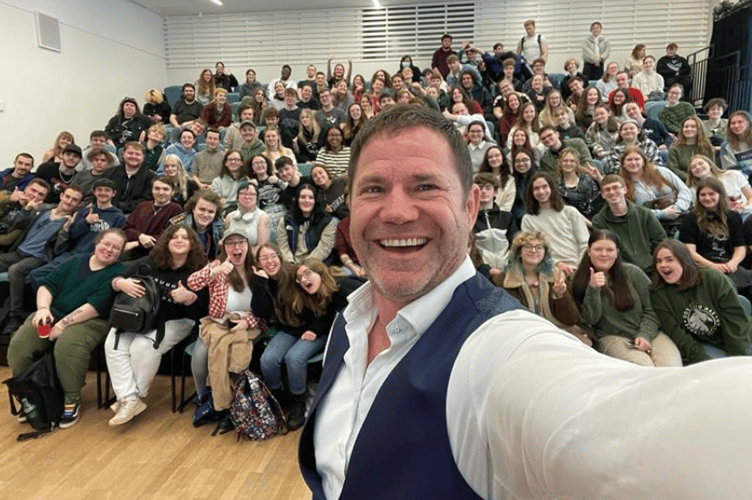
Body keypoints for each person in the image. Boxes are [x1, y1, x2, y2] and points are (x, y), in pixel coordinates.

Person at [297, 104, 752, 500]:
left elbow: (624, 429)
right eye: (373, 189)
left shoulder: (501, 350)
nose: (396, 212)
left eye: (425, 187)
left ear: (471, 206)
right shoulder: (348, 323)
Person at [7, 228, 127, 428]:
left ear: (121, 253)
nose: (109, 249)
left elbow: (94, 307)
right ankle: (32, 395)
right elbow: (47, 285)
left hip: (92, 319)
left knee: (68, 344)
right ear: (97, 243)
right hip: (54, 312)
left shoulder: (118, 272)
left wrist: (62, 324)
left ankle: (71, 399)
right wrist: (43, 309)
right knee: (19, 348)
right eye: (106, 244)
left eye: (115, 248)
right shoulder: (76, 261)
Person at [105, 225, 208, 426]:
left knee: (142, 346)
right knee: (113, 341)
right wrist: (119, 282)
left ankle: (133, 396)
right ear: (166, 241)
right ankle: (129, 398)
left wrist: (190, 298)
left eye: (185, 238)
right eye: (174, 237)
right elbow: (115, 274)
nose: (179, 240)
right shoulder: (152, 260)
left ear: (192, 244)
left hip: (178, 320)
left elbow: (203, 312)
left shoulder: (199, 269)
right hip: (145, 316)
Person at [260, 258, 361, 430]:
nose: (304, 280)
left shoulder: (342, 286)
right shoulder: (305, 293)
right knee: (268, 359)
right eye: (300, 278)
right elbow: (322, 316)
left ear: (319, 271)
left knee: (294, 359)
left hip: (353, 336)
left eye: (308, 273)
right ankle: (278, 399)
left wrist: (315, 330)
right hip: (297, 330)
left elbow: (369, 301)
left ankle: (298, 403)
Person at [187, 227, 265, 431]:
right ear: (224, 247)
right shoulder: (217, 266)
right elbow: (192, 283)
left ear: (248, 246)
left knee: (233, 354)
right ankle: (206, 398)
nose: (236, 247)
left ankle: (230, 406)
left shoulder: (257, 270)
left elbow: (268, 308)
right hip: (217, 322)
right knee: (199, 356)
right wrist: (214, 272)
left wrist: (247, 322)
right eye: (231, 243)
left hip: (248, 323)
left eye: (241, 242)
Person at [572, 230, 682, 366]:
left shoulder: (633, 273)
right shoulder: (578, 280)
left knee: (671, 369)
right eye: (598, 249)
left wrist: (645, 334)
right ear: (589, 251)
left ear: (617, 253)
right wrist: (593, 289)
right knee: (645, 368)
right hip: (613, 337)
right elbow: (590, 319)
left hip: (649, 332)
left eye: (610, 250)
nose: (604, 254)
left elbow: (653, 307)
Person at [651, 239, 752, 365]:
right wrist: (704, 364)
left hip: (741, 339)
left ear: (685, 260)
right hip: (708, 346)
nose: (663, 265)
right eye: (659, 261)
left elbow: (735, 322)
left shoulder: (713, 279)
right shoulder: (658, 294)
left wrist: (738, 360)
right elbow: (679, 336)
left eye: (669, 259)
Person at [0, 185, 84, 334]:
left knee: (15, 271)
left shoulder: (73, 222)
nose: (69, 201)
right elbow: (17, 224)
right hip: (19, 251)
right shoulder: (43, 209)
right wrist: (26, 210)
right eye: (68, 197)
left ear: (78, 203)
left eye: (75, 200)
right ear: (61, 196)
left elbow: (59, 250)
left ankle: (15, 315)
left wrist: (65, 230)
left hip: (38, 257)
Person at [492, 230, 585, 342]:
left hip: (557, 329)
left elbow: (571, 320)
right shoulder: (503, 281)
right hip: (525, 335)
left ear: (545, 253)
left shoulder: (557, 275)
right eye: (527, 247)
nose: (533, 251)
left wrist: (561, 295)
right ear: (519, 252)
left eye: (539, 247)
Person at [679, 177, 752, 300]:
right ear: (698, 197)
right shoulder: (690, 219)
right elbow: (689, 251)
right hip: (702, 267)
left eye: (711, 194)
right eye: (703, 195)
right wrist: (712, 266)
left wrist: (733, 263)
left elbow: (740, 247)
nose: (707, 198)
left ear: (720, 194)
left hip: (729, 266)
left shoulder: (733, 217)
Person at [592, 174, 666, 275]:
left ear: (625, 190)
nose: (612, 192)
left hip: (652, 269)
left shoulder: (645, 214)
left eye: (615, 188)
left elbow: (661, 241)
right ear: (603, 195)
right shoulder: (599, 221)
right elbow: (607, 251)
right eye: (607, 190)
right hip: (622, 272)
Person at [520, 172, 589, 276]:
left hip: (579, 268)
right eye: (536, 188)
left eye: (544, 187)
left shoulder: (570, 212)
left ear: (552, 188)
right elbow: (532, 249)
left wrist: (581, 267)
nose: (541, 191)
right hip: (549, 270)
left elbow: (584, 242)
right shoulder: (528, 219)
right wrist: (556, 264)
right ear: (531, 192)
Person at [122, 177, 183, 258]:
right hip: (132, 253)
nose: (161, 192)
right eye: (157, 189)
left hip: (158, 255)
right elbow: (126, 228)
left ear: (172, 192)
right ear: (152, 190)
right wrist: (140, 236)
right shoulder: (142, 206)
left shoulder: (176, 209)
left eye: (165, 189)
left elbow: (169, 235)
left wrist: (137, 243)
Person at [472, 173, 518, 275]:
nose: (483, 191)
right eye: (480, 188)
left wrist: (506, 265)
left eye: (488, 188)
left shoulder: (507, 217)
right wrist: (487, 269)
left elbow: (515, 245)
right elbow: (471, 250)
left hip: (508, 268)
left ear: (495, 192)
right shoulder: (470, 220)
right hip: (482, 270)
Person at [277, 183, 336, 264]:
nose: (306, 200)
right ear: (297, 199)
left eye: (311, 198)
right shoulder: (285, 221)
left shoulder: (326, 222)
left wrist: (306, 265)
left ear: (315, 201)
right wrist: (291, 263)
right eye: (303, 197)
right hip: (292, 264)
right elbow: (283, 247)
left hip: (316, 264)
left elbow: (324, 249)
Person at [687, 154, 752, 217]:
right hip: (718, 218)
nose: (698, 167)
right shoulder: (693, 190)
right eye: (693, 167)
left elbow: (750, 196)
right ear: (691, 173)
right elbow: (699, 210)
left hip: (745, 212)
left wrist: (748, 208)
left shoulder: (733, 174)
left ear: (710, 165)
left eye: (701, 163)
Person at [104, 142, 157, 214]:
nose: (133, 156)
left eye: (137, 154)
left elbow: (146, 201)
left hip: (137, 214)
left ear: (143, 157)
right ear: (123, 154)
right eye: (130, 153)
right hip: (110, 211)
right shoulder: (110, 173)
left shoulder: (151, 178)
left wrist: (121, 206)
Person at [556, 146, 603, 220]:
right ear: (560, 162)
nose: (568, 164)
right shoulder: (556, 185)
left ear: (577, 163)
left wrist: (598, 177)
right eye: (565, 161)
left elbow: (598, 201)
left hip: (595, 217)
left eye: (572, 161)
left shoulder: (587, 179)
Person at [223, 181, 270, 254]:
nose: (247, 197)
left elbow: (261, 248)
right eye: (243, 194)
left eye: (251, 194)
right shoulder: (230, 217)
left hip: (252, 257)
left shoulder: (263, 217)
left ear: (257, 198)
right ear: (237, 197)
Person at [666, 116, 714, 182]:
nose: (689, 129)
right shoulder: (674, 149)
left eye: (693, 126)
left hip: (706, 181)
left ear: (699, 129)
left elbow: (712, 167)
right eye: (686, 127)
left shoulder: (707, 147)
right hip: (684, 182)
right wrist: (692, 179)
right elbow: (673, 169)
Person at [210, 150, 248, 214]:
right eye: (230, 159)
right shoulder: (217, 182)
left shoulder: (248, 180)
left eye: (236, 159)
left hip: (245, 210)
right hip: (225, 212)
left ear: (242, 162)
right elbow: (217, 203)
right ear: (225, 163)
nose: (233, 162)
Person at [479, 145, 515, 211]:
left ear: (503, 158)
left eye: (497, 155)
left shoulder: (510, 180)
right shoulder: (479, 178)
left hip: (501, 217)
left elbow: (507, 205)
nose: (494, 159)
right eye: (490, 157)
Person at [720, 110, 752, 178]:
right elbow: (731, 172)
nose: (736, 126)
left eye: (740, 122)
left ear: (749, 123)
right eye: (733, 123)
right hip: (743, 182)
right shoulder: (725, 147)